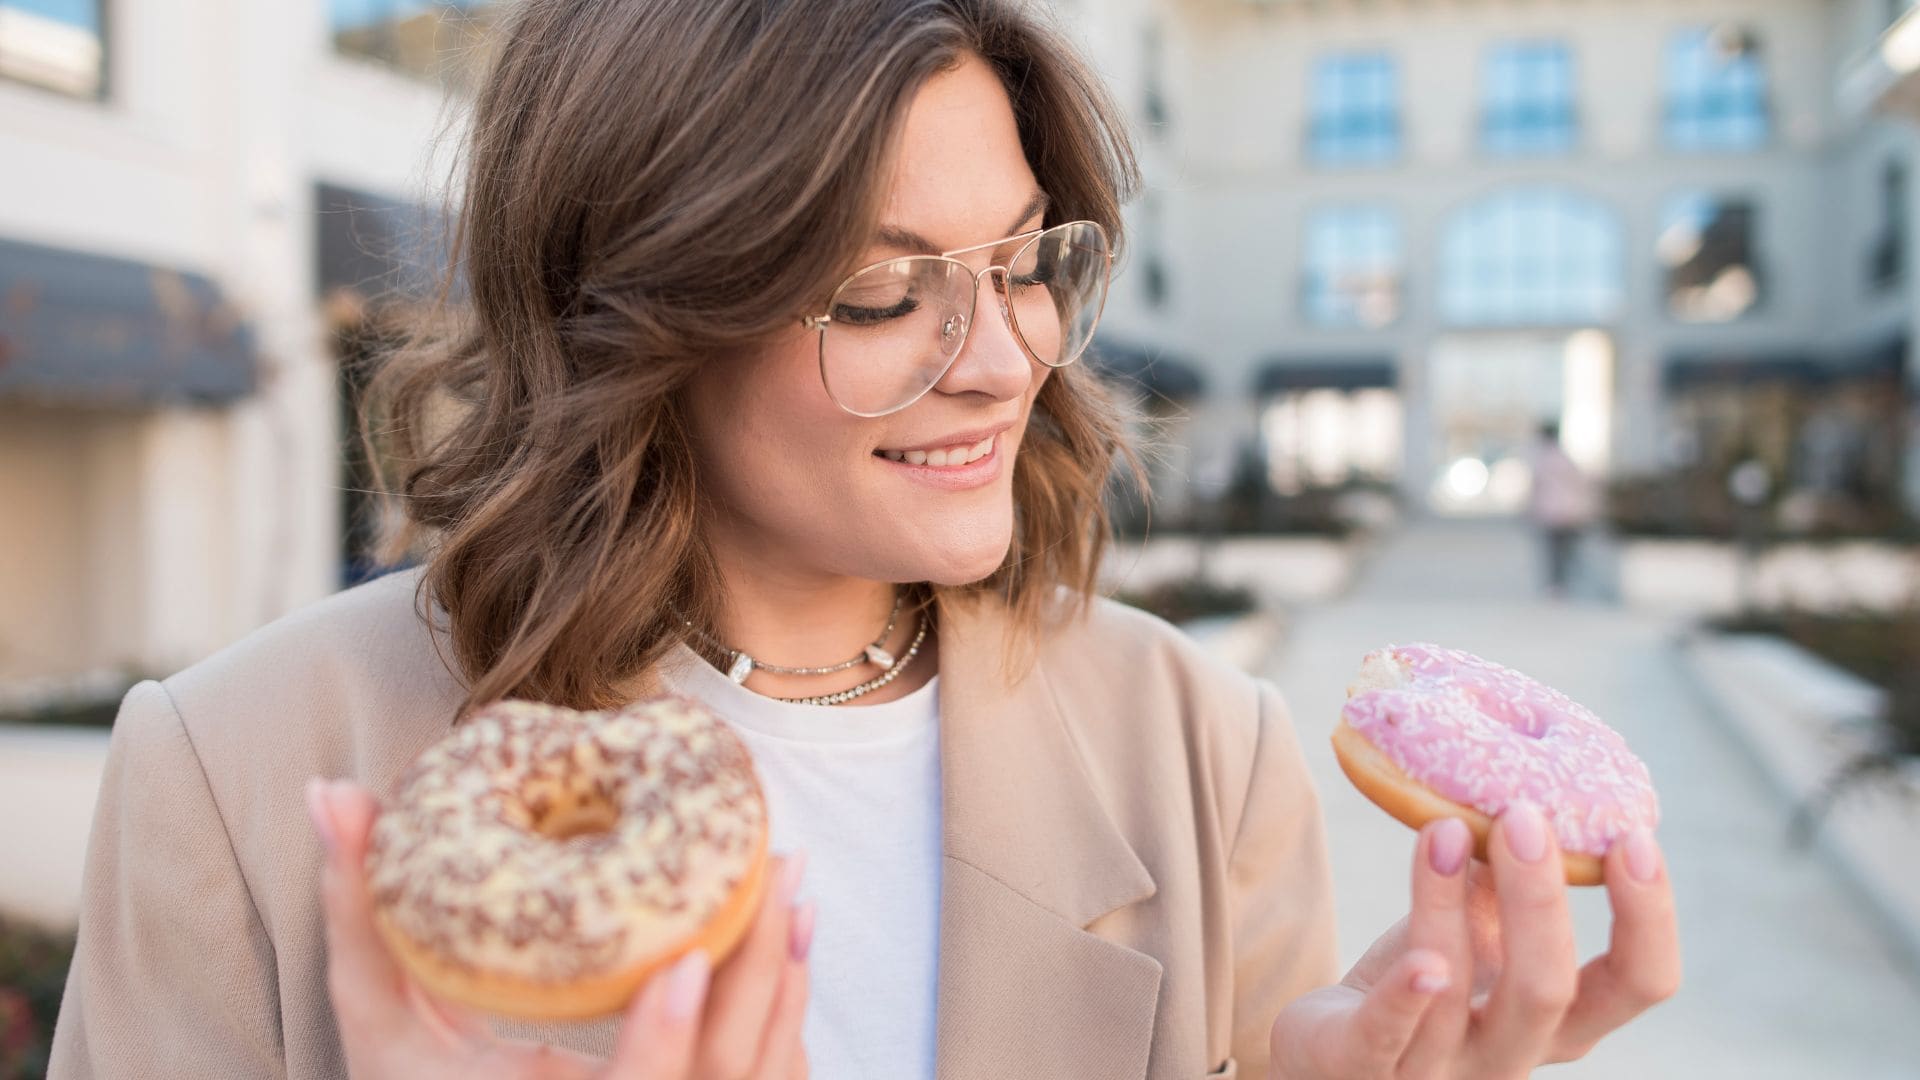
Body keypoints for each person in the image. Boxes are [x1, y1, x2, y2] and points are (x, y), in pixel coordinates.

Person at [49, 2, 1679, 1077]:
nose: (1002, 356)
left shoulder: (1202, 750)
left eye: (1028, 258)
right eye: (881, 287)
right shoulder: (238, 769)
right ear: (636, 314)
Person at [1526, 422, 1599, 599]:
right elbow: (1581, 484)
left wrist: (1530, 509)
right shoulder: (1565, 458)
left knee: (1553, 553)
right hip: (1569, 511)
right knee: (1567, 551)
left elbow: (1537, 487)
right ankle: (1565, 583)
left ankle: (1556, 586)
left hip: (1551, 513)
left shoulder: (1542, 460)